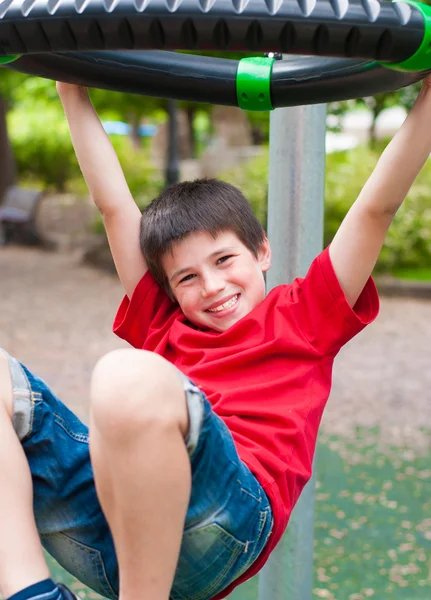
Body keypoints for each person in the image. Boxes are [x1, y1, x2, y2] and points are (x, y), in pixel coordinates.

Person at [1, 76, 431, 600]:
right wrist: (70, 86)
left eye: (225, 260)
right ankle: (30, 591)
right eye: (186, 278)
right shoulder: (163, 321)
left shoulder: (306, 314)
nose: (212, 287)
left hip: (228, 519)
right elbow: (113, 205)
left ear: (261, 252)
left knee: (124, 374)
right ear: (169, 289)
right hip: (111, 533)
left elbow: (374, 210)